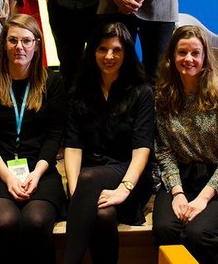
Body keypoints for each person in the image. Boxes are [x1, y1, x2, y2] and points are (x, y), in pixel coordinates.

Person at [0, 14, 67, 264]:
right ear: (4, 44)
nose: (19, 47)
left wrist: (35, 174)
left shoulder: (52, 82)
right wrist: (8, 177)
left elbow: (54, 136)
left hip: (40, 169)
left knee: (36, 222)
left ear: (37, 44)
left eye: (26, 41)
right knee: (5, 222)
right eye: (13, 40)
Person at [62, 22, 155, 264]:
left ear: (126, 53)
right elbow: (73, 145)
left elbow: (141, 148)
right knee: (103, 215)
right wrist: (75, 191)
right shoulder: (78, 92)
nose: (109, 56)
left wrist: (124, 188)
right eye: (102, 49)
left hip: (129, 174)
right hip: (90, 177)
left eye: (116, 50)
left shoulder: (142, 92)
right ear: (92, 52)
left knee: (89, 178)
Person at [152, 24, 218, 264]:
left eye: (195, 53)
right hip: (179, 179)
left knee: (198, 233)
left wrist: (202, 199)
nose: (188, 59)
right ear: (172, 57)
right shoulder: (163, 96)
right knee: (165, 229)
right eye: (182, 53)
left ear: (205, 57)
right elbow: (164, 151)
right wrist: (177, 193)